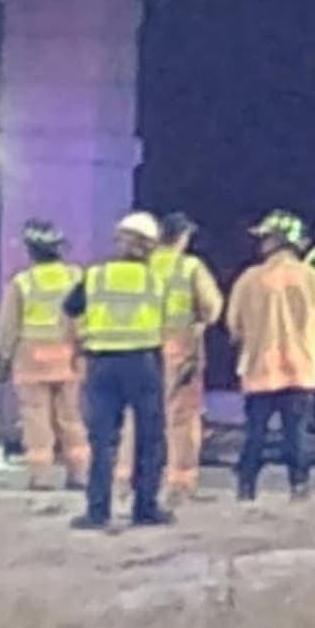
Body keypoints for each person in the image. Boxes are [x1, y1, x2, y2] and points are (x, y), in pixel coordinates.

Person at [63, 211, 172, 529]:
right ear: (150, 246)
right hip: (143, 362)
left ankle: (98, 511)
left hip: (102, 363)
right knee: (150, 438)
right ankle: (145, 508)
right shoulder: (156, 279)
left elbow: (71, 308)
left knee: (103, 440)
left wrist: (82, 338)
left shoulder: (96, 276)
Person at [227, 209, 315, 501]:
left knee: (255, 432)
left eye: (266, 238)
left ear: (277, 241)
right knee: (296, 432)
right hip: (300, 368)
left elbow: (233, 324)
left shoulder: (250, 279)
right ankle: (298, 486)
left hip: (259, 368)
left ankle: (246, 487)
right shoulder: (312, 278)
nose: (261, 243)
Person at [113, 213, 223, 507]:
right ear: (182, 237)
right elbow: (211, 307)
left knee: (136, 415)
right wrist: (199, 322)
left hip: (139, 347)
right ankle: (180, 482)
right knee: (181, 418)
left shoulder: (141, 265)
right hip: (179, 351)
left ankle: (125, 478)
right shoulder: (189, 267)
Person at [0, 220, 88, 490]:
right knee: (71, 418)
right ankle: (79, 475)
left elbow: (7, 326)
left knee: (36, 418)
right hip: (68, 358)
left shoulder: (23, 282)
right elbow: (84, 318)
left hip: (31, 362)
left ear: (31, 251)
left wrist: (4, 355)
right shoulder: (74, 277)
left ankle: (41, 477)